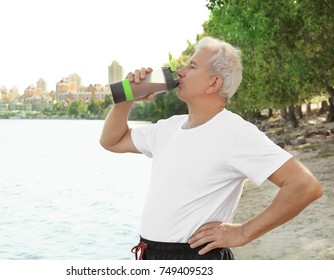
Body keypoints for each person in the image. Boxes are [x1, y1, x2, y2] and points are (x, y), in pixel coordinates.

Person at [99, 36, 323, 260]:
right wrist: (126, 97)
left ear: (214, 83)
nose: (180, 71)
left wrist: (243, 232)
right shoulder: (170, 126)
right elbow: (112, 141)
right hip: (150, 253)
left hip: (196, 257)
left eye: (192, 67)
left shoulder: (235, 132)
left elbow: (304, 186)